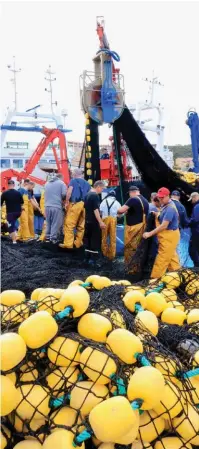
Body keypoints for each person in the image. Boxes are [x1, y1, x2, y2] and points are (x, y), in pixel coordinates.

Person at [143, 187, 181, 278]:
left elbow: (164, 225)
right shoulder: (165, 205)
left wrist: (149, 234)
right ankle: (177, 277)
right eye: (159, 197)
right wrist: (157, 214)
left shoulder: (170, 208)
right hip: (168, 236)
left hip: (170, 237)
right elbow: (163, 216)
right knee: (172, 259)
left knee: (162, 259)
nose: (160, 199)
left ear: (168, 196)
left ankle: (154, 280)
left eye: (162, 197)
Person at [60, 169, 91, 249]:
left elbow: (69, 192)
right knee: (81, 226)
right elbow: (89, 195)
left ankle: (68, 244)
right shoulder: (87, 183)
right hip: (84, 205)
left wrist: (66, 202)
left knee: (69, 224)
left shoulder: (73, 181)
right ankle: (78, 243)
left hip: (75, 204)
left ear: (75, 174)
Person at [117, 186, 149, 264]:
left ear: (132, 192)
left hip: (134, 229)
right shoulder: (145, 200)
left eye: (129, 194)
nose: (129, 196)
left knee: (130, 248)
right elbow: (137, 211)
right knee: (138, 247)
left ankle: (131, 268)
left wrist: (119, 211)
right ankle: (137, 266)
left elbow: (120, 210)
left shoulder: (133, 199)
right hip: (142, 227)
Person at [84, 180, 106, 264]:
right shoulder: (95, 196)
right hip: (94, 222)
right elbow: (96, 210)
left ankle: (87, 259)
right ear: (98, 187)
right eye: (102, 188)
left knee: (88, 241)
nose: (102, 190)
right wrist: (100, 222)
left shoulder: (87, 195)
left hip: (87, 221)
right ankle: (94, 261)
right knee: (95, 241)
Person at [44, 173, 67, 243]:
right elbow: (64, 194)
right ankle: (53, 239)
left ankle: (47, 237)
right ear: (61, 178)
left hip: (47, 206)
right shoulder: (61, 183)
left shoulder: (47, 183)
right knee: (55, 223)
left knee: (48, 222)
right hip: (56, 206)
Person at [100, 190, 121, 260]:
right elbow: (120, 214)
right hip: (113, 220)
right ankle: (111, 256)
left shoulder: (103, 201)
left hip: (104, 219)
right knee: (112, 238)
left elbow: (100, 212)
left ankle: (104, 254)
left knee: (104, 237)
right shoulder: (117, 203)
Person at [188, 192, 199, 267]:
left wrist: (187, 222)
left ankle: (197, 267)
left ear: (195, 197)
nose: (191, 201)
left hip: (197, 232)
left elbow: (195, 220)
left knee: (192, 250)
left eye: (192, 199)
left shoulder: (197, 207)